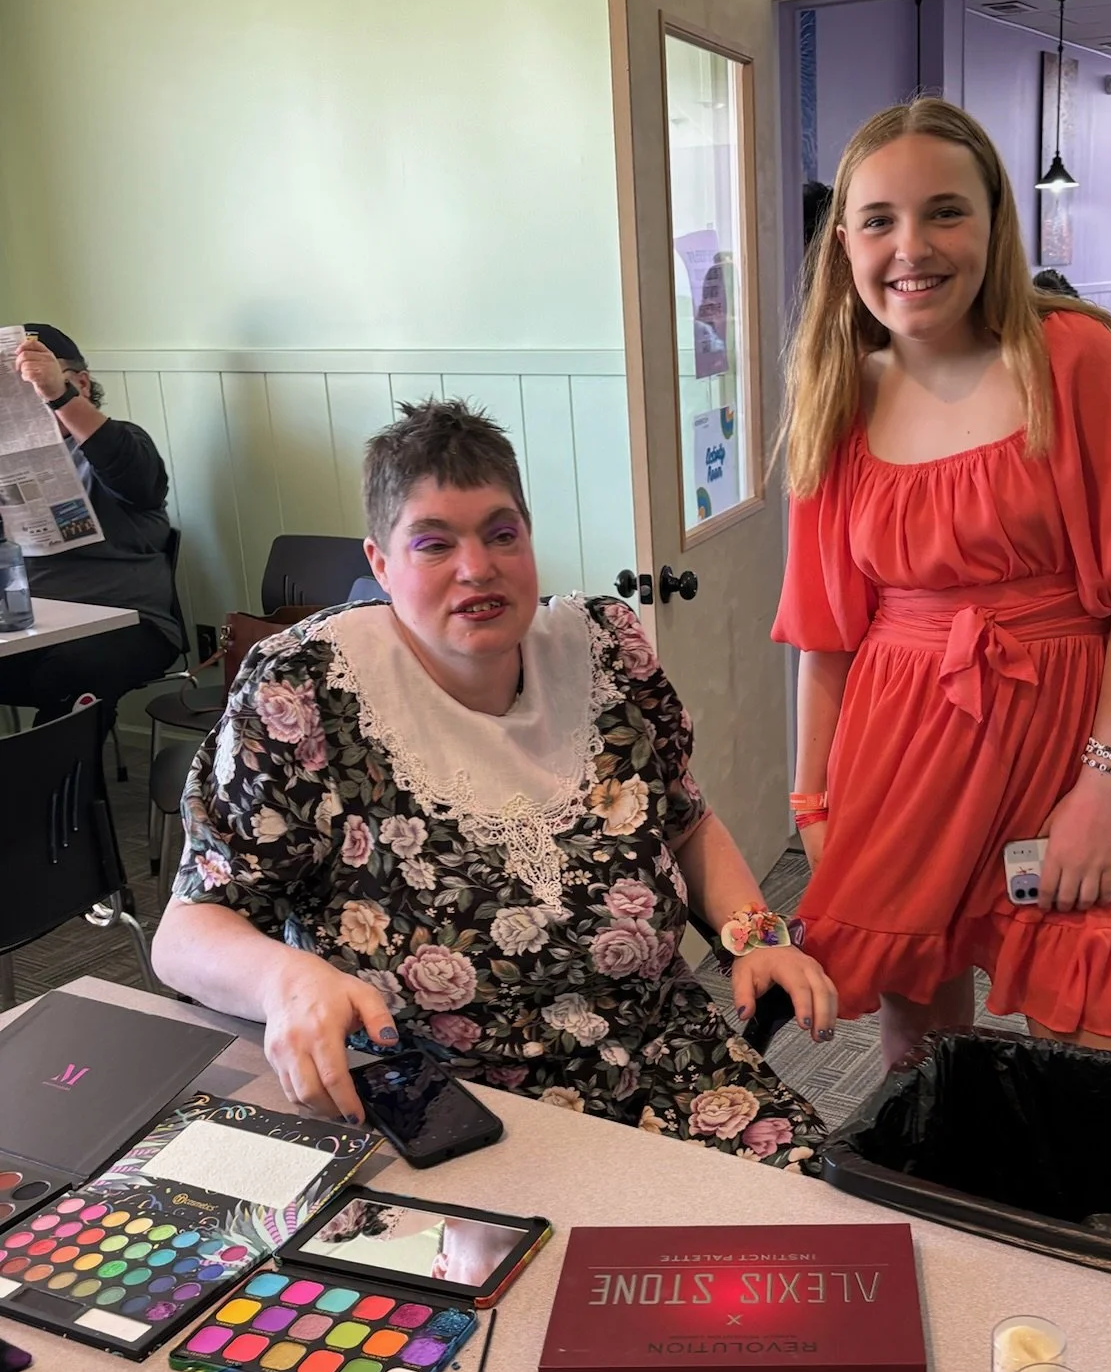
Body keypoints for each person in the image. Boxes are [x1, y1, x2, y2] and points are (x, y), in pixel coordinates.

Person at [152, 397, 832, 1171]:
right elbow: (184, 936)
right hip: (438, 1108)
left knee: (819, 1237)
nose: (477, 568)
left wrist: (753, 934)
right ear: (379, 563)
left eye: (501, 534)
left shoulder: (606, 650)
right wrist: (287, 980)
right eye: (433, 544)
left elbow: (685, 821)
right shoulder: (305, 695)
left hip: (662, 1061)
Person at [773, 99, 1111, 1072]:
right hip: (900, 748)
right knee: (920, 1045)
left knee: (1096, 1047)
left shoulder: (1075, 359)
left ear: (996, 222)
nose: (910, 247)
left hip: (1063, 749)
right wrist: (813, 802)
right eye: (879, 219)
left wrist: (1108, 780)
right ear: (845, 241)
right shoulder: (838, 396)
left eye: (945, 212)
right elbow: (827, 635)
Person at [0, 325, 180, 724]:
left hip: (129, 622)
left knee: (69, 672)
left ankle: (58, 788)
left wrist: (57, 396)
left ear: (80, 382)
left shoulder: (124, 442)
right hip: (27, 626)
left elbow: (139, 481)